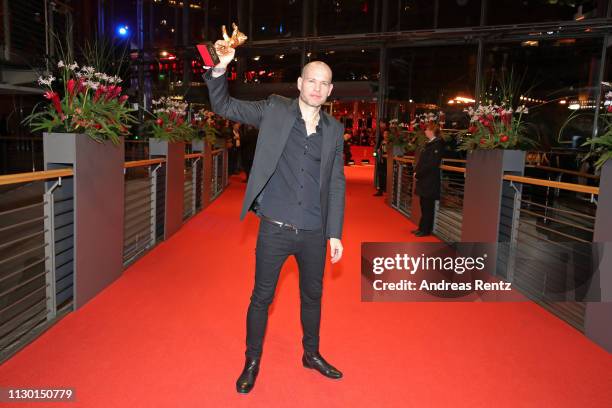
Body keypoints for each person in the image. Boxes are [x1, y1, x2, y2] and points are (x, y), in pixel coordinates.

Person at [204, 39, 346, 394]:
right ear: (300, 83)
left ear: (330, 90)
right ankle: (252, 360)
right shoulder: (275, 109)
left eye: (323, 83)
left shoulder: (335, 131)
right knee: (261, 298)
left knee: (313, 297)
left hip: (314, 230)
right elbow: (223, 104)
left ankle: (310, 354)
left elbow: (336, 184)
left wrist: (335, 233)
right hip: (276, 227)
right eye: (311, 80)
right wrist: (220, 67)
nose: (316, 87)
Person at [413, 122, 444, 237]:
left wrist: (418, 173)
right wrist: (416, 171)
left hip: (429, 180)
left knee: (427, 206)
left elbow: (431, 164)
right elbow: (422, 161)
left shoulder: (437, 145)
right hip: (424, 179)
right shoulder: (430, 144)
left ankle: (425, 230)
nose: (425, 131)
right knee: (423, 205)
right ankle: (421, 227)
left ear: (431, 131)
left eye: (426, 129)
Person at [373, 126, 389, 196]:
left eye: (386, 134)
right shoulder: (382, 142)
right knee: (380, 175)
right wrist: (376, 153)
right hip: (381, 161)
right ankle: (380, 190)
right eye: (384, 134)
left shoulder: (390, 143)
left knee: (386, 175)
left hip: (387, 162)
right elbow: (379, 150)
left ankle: (385, 189)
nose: (385, 135)